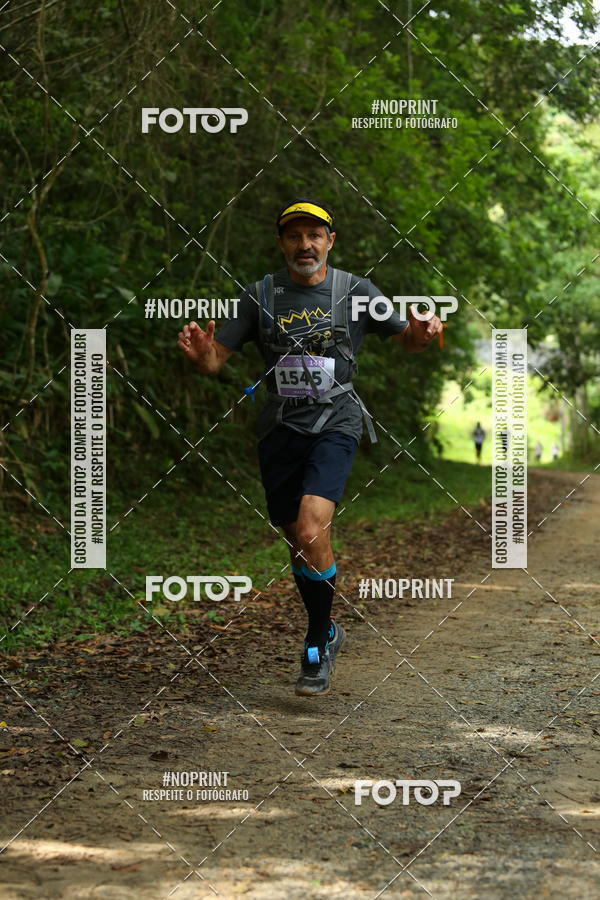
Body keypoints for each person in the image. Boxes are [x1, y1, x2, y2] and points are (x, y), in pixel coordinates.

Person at [177, 198, 442, 696]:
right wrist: (202, 353)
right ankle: (328, 627)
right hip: (280, 427)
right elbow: (216, 361)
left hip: (336, 420)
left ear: (329, 241)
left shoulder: (357, 291)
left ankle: (318, 642)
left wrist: (424, 333)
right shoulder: (260, 295)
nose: (305, 245)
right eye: (295, 236)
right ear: (282, 243)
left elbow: (407, 340)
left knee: (310, 525)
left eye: (314, 235)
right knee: (299, 544)